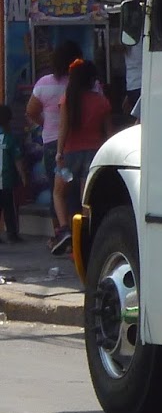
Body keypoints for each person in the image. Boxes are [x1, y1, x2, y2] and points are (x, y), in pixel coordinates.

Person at [51, 59, 111, 255]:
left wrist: (59, 152)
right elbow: (108, 133)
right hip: (94, 155)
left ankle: (64, 230)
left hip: (69, 154)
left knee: (59, 193)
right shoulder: (102, 102)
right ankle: (87, 239)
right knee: (86, 200)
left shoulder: (67, 99)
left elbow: (63, 128)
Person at [26, 40, 80, 209]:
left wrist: (46, 123)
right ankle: (77, 229)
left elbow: (31, 111)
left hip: (52, 143)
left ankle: (59, 230)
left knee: (56, 192)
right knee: (76, 191)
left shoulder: (44, 83)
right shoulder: (82, 83)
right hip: (78, 142)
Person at [0, 104, 22, 243]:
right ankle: (12, 234)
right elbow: (17, 159)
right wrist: (24, 177)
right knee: (9, 208)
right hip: (6, 180)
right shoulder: (10, 138)